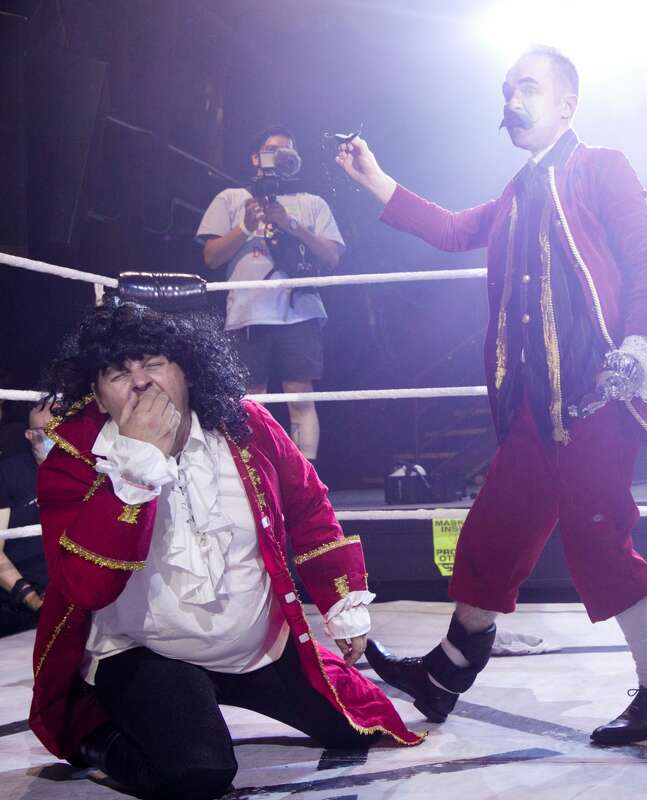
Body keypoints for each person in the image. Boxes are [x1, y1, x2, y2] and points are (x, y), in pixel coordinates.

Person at [336, 45, 647, 744]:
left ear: (567, 104)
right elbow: (451, 230)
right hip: (536, 411)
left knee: (600, 540)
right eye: (506, 89)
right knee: (491, 538)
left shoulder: (601, 167)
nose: (511, 100)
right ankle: (444, 675)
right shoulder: (517, 191)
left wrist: (642, 346)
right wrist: (375, 179)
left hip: (597, 398)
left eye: (526, 86)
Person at [30, 300, 421, 800]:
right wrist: (136, 466)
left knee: (362, 727)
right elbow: (87, 586)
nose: (141, 382)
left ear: (185, 371)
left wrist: (342, 604)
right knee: (199, 773)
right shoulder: (74, 461)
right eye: (118, 373)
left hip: (259, 647)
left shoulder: (246, 425)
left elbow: (307, 505)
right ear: (98, 397)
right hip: (148, 652)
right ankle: (99, 740)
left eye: (152, 363)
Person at [197, 125, 345, 467]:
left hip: (300, 310)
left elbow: (332, 256)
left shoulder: (312, 203)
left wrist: (291, 224)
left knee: (300, 398)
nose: (279, 157)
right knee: (251, 400)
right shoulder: (231, 198)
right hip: (248, 311)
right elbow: (211, 258)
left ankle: (307, 480)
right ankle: (255, 477)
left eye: (286, 151)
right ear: (255, 158)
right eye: (271, 150)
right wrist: (246, 227)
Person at [0, 400, 52, 635]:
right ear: (30, 435)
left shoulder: (83, 470)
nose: (56, 439)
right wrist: (33, 601)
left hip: (76, 593)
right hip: (22, 603)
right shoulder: (9, 473)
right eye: (48, 433)